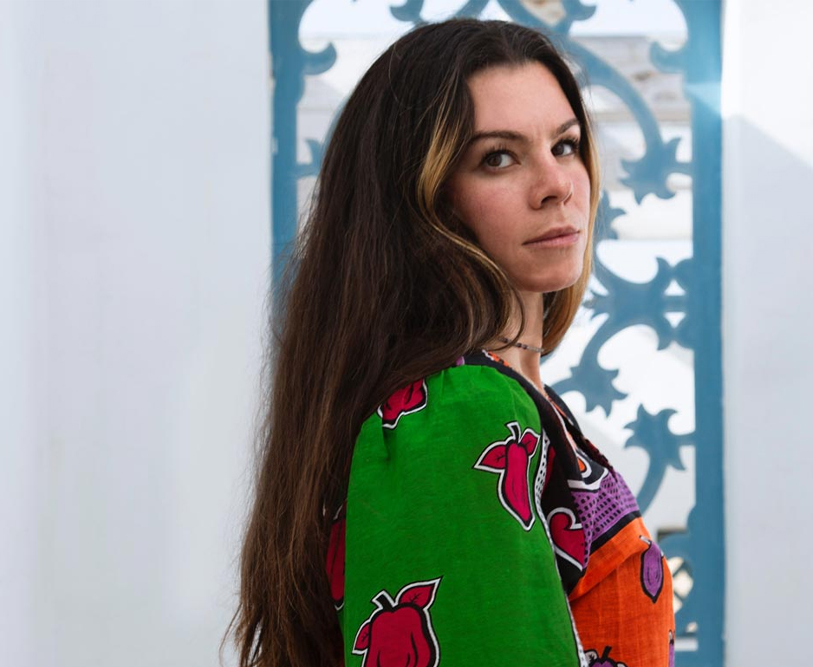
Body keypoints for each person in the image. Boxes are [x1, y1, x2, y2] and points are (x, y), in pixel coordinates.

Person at [229, 18, 675, 667]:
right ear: (422, 201)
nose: (557, 184)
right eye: (498, 157)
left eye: (566, 145)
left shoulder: (504, 401)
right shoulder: (461, 409)